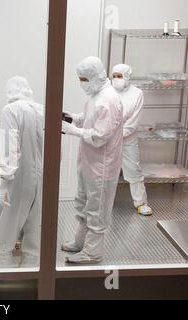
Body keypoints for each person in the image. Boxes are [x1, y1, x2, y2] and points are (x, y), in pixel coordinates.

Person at [61, 57, 123, 264]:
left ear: (94, 76)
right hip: (89, 163)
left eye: (83, 79)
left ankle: (93, 253)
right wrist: (73, 118)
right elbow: (89, 116)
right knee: (84, 202)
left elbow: (99, 136)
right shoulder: (96, 95)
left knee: (97, 209)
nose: (81, 83)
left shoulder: (109, 100)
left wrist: (73, 131)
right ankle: (80, 242)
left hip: (102, 166)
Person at [0, 77, 44, 268]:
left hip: (17, 179)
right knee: (33, 234)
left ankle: (4, 281)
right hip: (37, 179)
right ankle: (32, 278)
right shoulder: (38, 110)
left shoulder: (10, 110)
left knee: (4, 232)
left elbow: (9, 147)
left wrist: (4, 181)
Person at [112, 64, 152, 216]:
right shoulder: (107, 91)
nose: (116, 79)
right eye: (114, 76)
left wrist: (117, 134)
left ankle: (141, 203)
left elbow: (133, 122)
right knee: (106, 170)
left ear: (127, 76)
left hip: (127, 139)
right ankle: (103, 202)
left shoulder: (137, 93)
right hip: (107, 139)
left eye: (119, 76)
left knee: (133, 170)